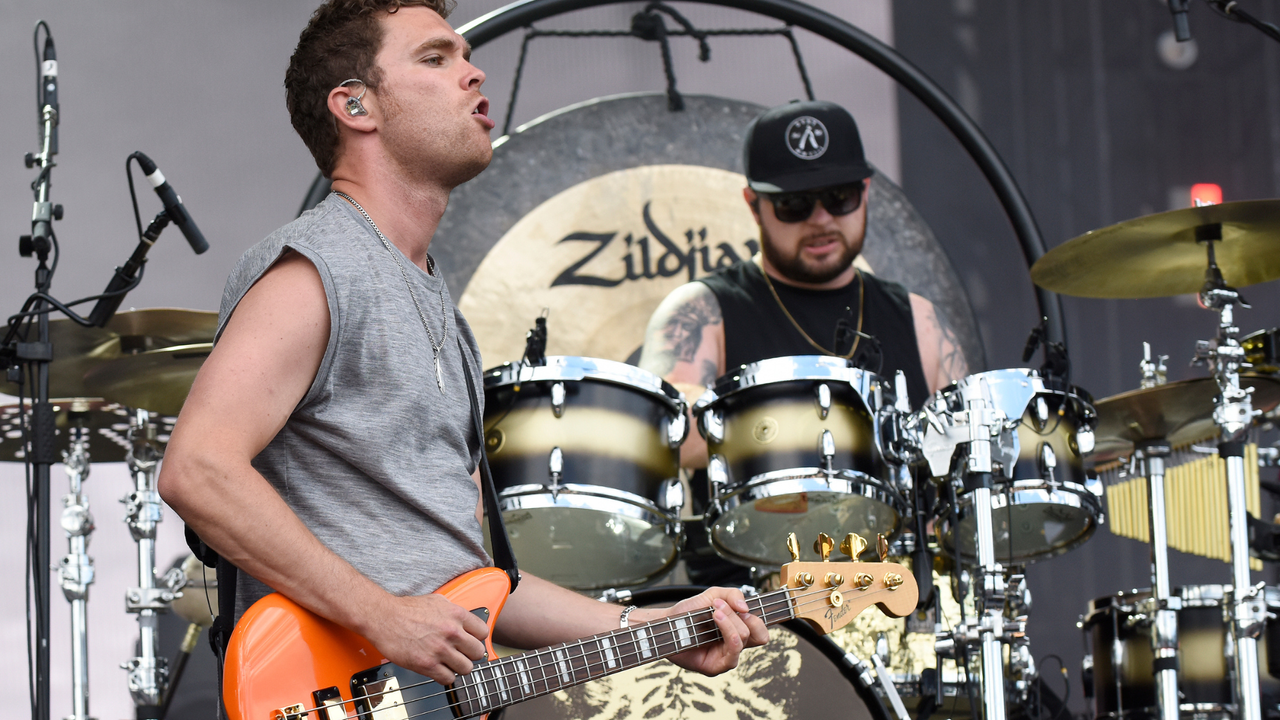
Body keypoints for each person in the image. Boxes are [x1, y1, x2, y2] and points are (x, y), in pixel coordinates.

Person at [157, 0, 766, 697]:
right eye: (436, 58)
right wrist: (381, 616)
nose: (473, 74)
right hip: (329, 694)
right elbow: (198, 469)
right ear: (356, 105)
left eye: (466, 57)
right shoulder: (317, 268)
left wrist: (652, 628)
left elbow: (476, 586)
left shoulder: (440, 306)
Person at [639, 99, 970, 468]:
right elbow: (660, 434)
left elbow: (965, 475)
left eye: (839, 197)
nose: (821, 219)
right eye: (795, 204)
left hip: (889, 529)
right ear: (753, 205)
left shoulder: (921, 321)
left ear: (865, 190)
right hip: (763, 526)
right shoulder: (703, 310)